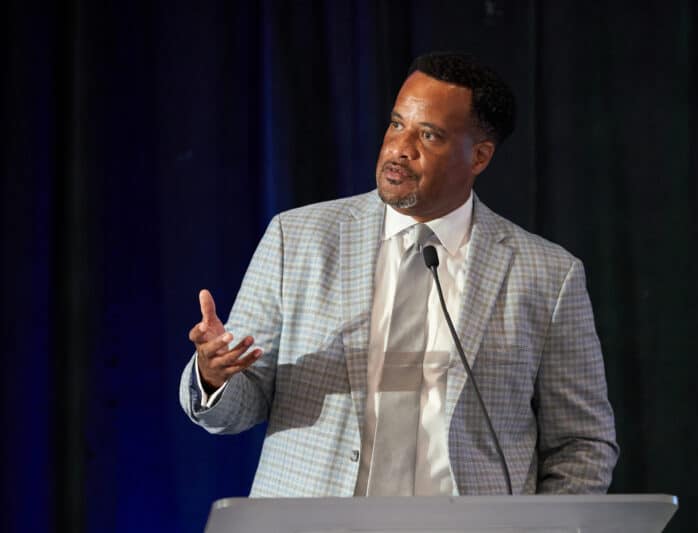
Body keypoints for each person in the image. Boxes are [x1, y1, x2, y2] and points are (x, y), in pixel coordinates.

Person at [180, 52, 618, 497]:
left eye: (428, 135)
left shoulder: (548, 275)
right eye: (396, 124)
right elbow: (238, 405)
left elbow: (582, 442)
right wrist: (215, 376)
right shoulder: (298, 239)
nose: (400, 148)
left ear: (479, 156)